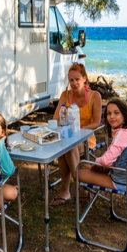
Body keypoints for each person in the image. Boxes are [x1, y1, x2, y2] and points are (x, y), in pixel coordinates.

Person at [49, 63, 102, 206]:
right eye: (71, 80)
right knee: (65, 146)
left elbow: (96, 123)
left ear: (84, 78)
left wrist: (78, 129)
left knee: (67, 147)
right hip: (67, 135)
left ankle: (69, 190)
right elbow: (56, 119)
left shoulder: (94, 97)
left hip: (86, 138)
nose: (74, 83)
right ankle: (76, 188)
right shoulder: (65, 95)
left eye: (77, 79)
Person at [78, 98, 127, 191]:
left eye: (116, 113)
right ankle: (93, 172)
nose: (112, 116)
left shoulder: (122, 135)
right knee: (91, 169)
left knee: (79, 173)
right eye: (109, 113)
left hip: (123, 182)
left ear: (125, 115)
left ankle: (83, 194)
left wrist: (96, 163)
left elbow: (105, 161)